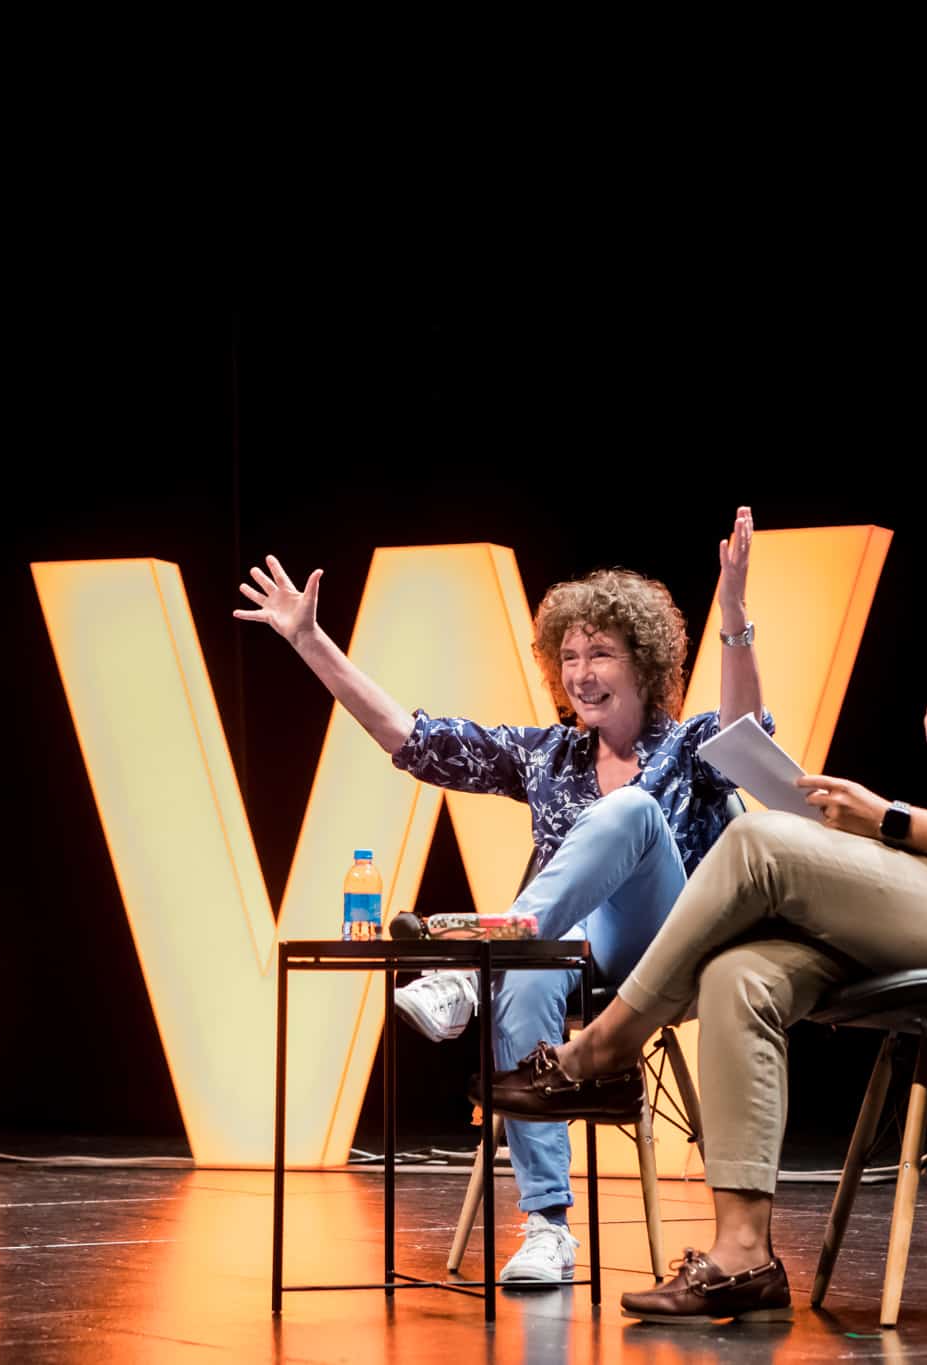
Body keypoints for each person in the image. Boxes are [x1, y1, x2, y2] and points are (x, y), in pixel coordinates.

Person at [480, 471, 927, 1324]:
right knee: (741, 972)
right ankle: (741, 1255)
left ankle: (598, 1054)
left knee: (755, 838)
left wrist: (885, 817)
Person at [234, 510, 774, 1286]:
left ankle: (467, 969)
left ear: (646, 663)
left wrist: (732, 611)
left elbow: (751, 739)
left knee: (629, 813)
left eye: (603, 653)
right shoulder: (548, 755)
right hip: (573, 951)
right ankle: (547, 1225)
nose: (583, 671)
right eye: (571, 654)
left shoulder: (687, 746)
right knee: (524, 970)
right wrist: (310, 642)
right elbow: (412, 740)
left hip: (671, 950)